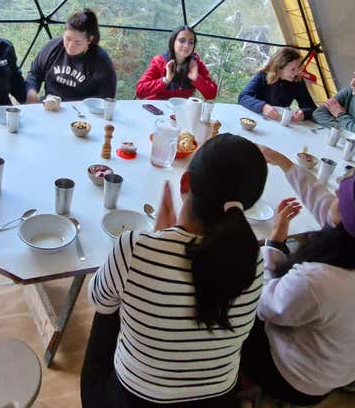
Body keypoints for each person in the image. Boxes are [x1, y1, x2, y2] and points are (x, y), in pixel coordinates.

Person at [81, 134, 268, 407]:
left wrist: (158, 242)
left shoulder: (134, 248)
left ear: (185, 182)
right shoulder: (254, 260)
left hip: (134, 401)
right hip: (216, 402)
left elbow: (97, 299)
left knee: (109, 305)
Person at [242, 147, 355, 405]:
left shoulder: (320, 281)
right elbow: (329, 207)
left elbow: (263, 305)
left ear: (354, 217)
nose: (337, 191)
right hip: (344, 367)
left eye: (344, 195)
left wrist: (273, 245)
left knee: (231, 296)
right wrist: (286, 164)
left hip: (295, 378)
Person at [26, 8, 116, 101]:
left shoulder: (101, 61)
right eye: (67, 39)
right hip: (50, 104)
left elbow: (106, 95)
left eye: (78, 43)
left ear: (89, 40)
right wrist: (31, 91)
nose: (70, 46)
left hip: (81, 108)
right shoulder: (52, 48)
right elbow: (35, 73)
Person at [135, 26, 217, 100]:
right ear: (173, 42)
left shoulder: (196, 64)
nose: (186, 46)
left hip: (182, 109)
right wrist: (165, 80)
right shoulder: (159, 61)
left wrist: (197, 79)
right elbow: (140, 91)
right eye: (182, 41)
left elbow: (211, 94)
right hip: (159, 107)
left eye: (191, 42)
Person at [238, 47, 316, 121]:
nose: (296, 73)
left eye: (298, 68)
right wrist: (263, 106)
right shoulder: (263, 75)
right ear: (280, 67)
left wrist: (303, 113)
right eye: (293, 69)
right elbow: (243, 97)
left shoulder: (297, 81)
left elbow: (311, 108)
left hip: (278, 122)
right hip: (256, 118)